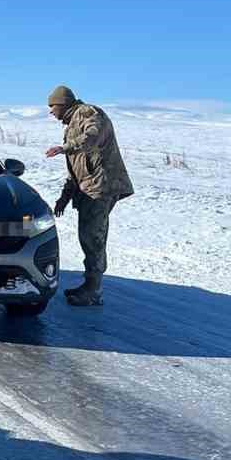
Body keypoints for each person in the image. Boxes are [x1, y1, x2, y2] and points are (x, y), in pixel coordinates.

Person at [45, 85, 134, 307]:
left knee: (93, 237)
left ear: (62, 103)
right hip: (89, 186)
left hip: (101, 186)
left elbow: (92, 135)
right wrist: (65, 197)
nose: (50, 112)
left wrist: (66, 147)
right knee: (88, 236)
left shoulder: (87, 113)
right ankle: (90, 285)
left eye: (52, 106)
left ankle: (93, 290)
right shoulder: (72, 124)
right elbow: (76, 169)